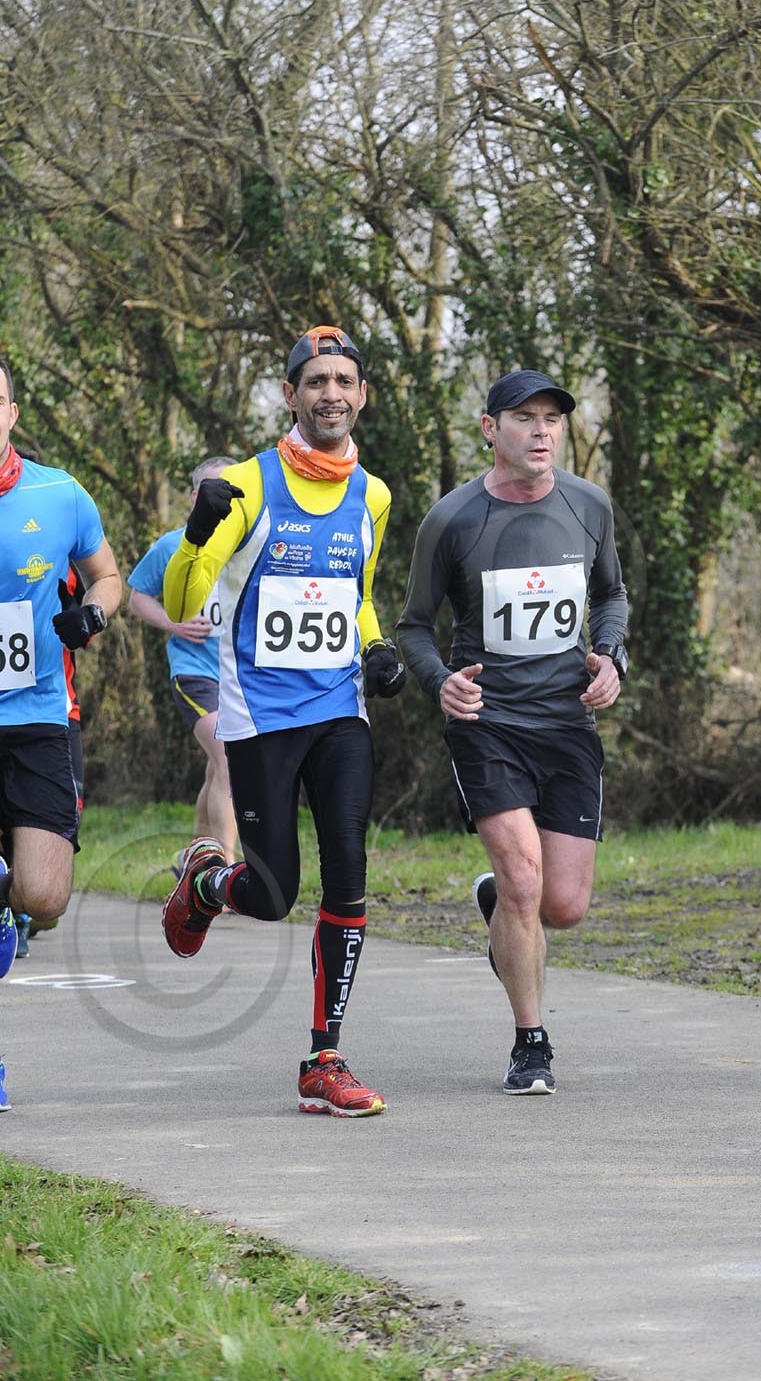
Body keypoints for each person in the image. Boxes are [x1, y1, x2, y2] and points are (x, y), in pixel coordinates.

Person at [160, 327, 405, 1117]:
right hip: (260, 717)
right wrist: (197, 533)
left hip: (339, 711)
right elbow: (183, 604)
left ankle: (322, 1058)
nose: (331, 394)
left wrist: (376, 648)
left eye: (344, 381)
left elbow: (357, 595)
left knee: (348, 871)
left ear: (362, 395)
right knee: (272, 895)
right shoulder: (245, 486)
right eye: (316, 381)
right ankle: (207, 883)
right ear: (290, 394)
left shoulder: (373, 495)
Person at [396, 369, 629, 1096]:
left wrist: (610, 656)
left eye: (552, 419)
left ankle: (498, 902)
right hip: (488, 724)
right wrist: (441, 681)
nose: (541, 431)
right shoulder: (452, 518)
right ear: (489, 429)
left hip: (567, 722)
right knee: (526, 881)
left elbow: (612, 595)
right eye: (524, 418)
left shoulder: (588, 504)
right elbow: (413, 626)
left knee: (564, 906)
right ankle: (531, 1043)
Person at [0, 356, 122, 1107]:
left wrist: (94, 614)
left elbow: (109, 575)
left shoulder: (60, 493)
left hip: (40, 717)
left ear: (11, 412)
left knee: (43, 898)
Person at [127, 457, 238, 867]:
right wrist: (174, 623)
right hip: (195, 671)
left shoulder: (249, 545)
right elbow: (137, 597)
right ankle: (225, 867)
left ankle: (193, 856)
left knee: (217, 768)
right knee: (227, 758)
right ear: (194, 497)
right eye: (212, 490)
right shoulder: (171, 546)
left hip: (239, 674)